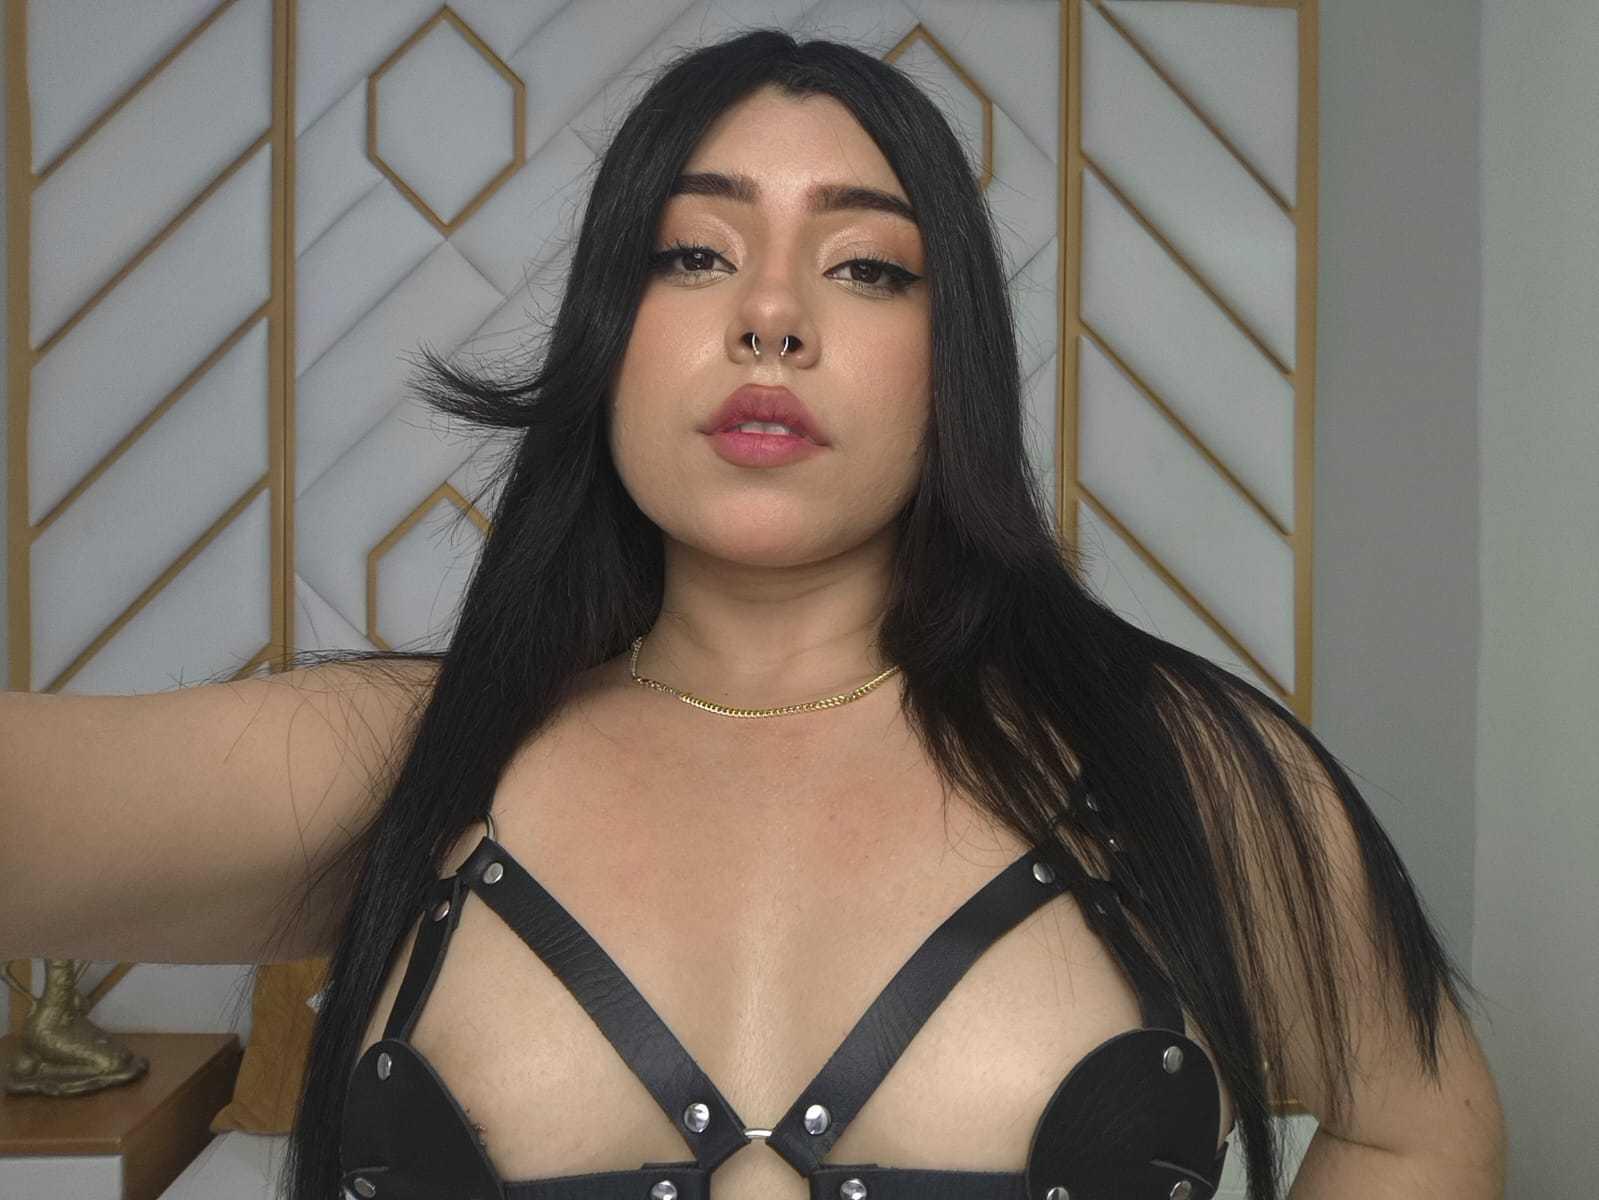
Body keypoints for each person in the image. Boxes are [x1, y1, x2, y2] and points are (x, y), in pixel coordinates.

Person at [0, 28, 1504, 1200]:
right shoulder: (413, 753)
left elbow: (1422, 1122)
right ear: (611, 336)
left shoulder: (1181, 766)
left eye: (866, 266)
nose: (770, 312)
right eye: (695, 253)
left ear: (954, 364)